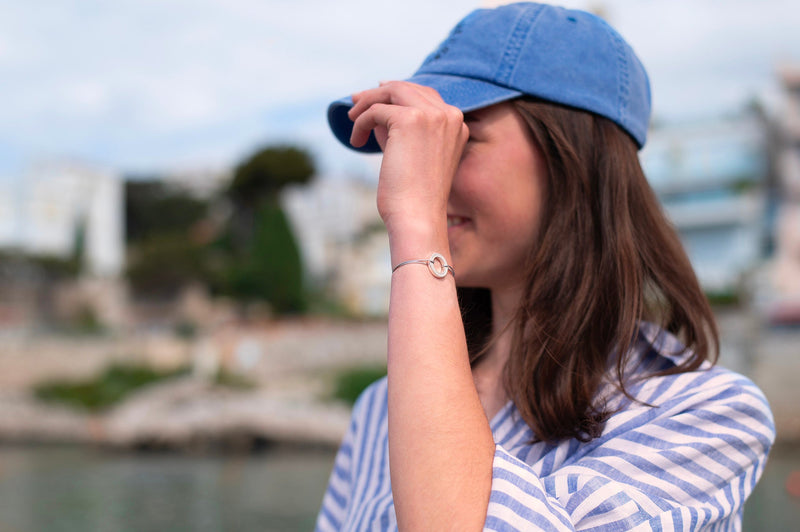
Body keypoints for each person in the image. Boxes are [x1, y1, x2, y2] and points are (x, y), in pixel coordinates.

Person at [316, 3, 774, 530]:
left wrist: (417, 227)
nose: (426, 177)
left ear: (571, 159)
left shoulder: (701, 414)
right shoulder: (381, 407)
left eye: (459, 141)